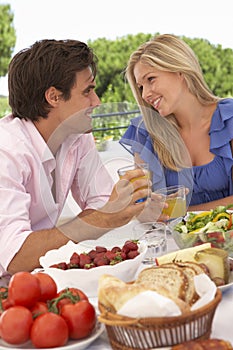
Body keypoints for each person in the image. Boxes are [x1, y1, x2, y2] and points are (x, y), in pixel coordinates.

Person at [0, 39, 151, 279]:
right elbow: (16, 255)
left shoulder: (75, 136)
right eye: (88, 91)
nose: (97, 102)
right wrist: (103, 217)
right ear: (54, 97)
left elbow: (102, 200)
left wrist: (117, 207)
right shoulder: (6, 152)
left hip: (38, 274)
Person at [120, 33, 233, 211]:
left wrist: (183, 213)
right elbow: (142, 210)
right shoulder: (144, 132)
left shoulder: (229, 118)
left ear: (180, 71)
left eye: (151, 79)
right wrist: (147, 211)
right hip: (174, 239)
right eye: (141, 87)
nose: (144, 95)